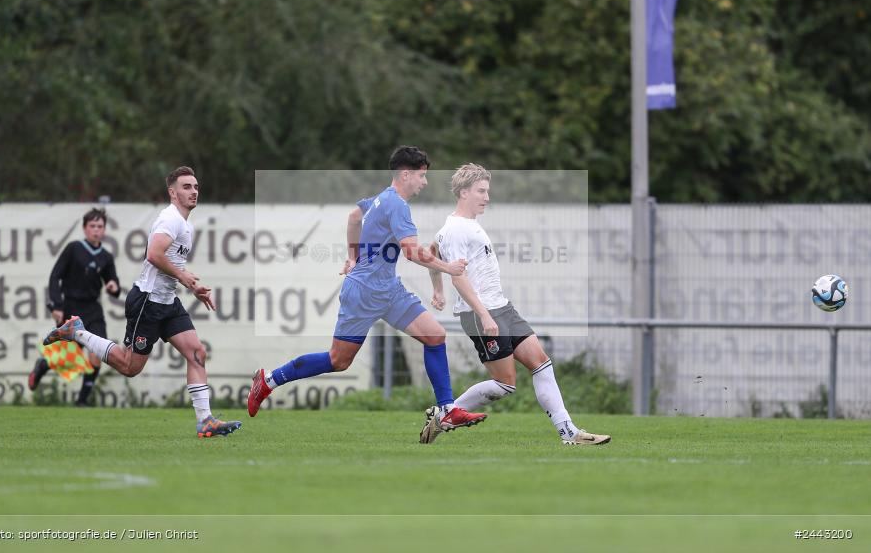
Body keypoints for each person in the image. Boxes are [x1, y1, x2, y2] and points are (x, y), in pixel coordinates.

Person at [248, 146, 488, 438]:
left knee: (435, 335)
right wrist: (449, 268)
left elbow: (353, 217)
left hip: (388, 290)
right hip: (364, 292)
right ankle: (269, 380)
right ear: (405, 174)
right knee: (339, 360)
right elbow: (411, 252)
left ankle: (447, 410)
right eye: (422, 176)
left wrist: (353, 257)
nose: (425, 182)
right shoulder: (396, 204)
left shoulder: (380, 199)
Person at [43, 166, 242, 438]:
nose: (193, 191)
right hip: (148, 302)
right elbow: (154, 254)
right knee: (129, 367)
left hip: (167, 302)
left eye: (195, 186)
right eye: (186, 187)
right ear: (173, 193)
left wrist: (192, 284)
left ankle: (205, 421)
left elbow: (172, 263)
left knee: (197, 353)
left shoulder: (186, 224)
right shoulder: (170, 219)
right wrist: (185, 277)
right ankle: (77, 332)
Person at [423, 163, 611, 446]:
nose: (487, 197)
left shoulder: (461, 226)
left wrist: (436, 290)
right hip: (481, 313)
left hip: (502, 306)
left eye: (488, 191)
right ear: (463, 192)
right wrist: (483, 314)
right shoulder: (456, 229)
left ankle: (569, 432)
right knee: (505, 384)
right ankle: (447, 413)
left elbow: (431, 253)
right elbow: (458, 277)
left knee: (541, 363)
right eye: (481, 191)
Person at [29, 208, 121, 406]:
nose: (96, 230)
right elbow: (55, 276)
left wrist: (113, 287)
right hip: (71, 308)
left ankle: (82, 401)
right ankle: (43, 365)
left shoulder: (106, 256)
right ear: (84, 228)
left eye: (100, 226)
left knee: (97, 352)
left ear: (104, 229)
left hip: (94, 310)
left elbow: (113, 283)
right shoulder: (74, 248)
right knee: (67, 357)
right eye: (92, 226)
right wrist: (56, 304)